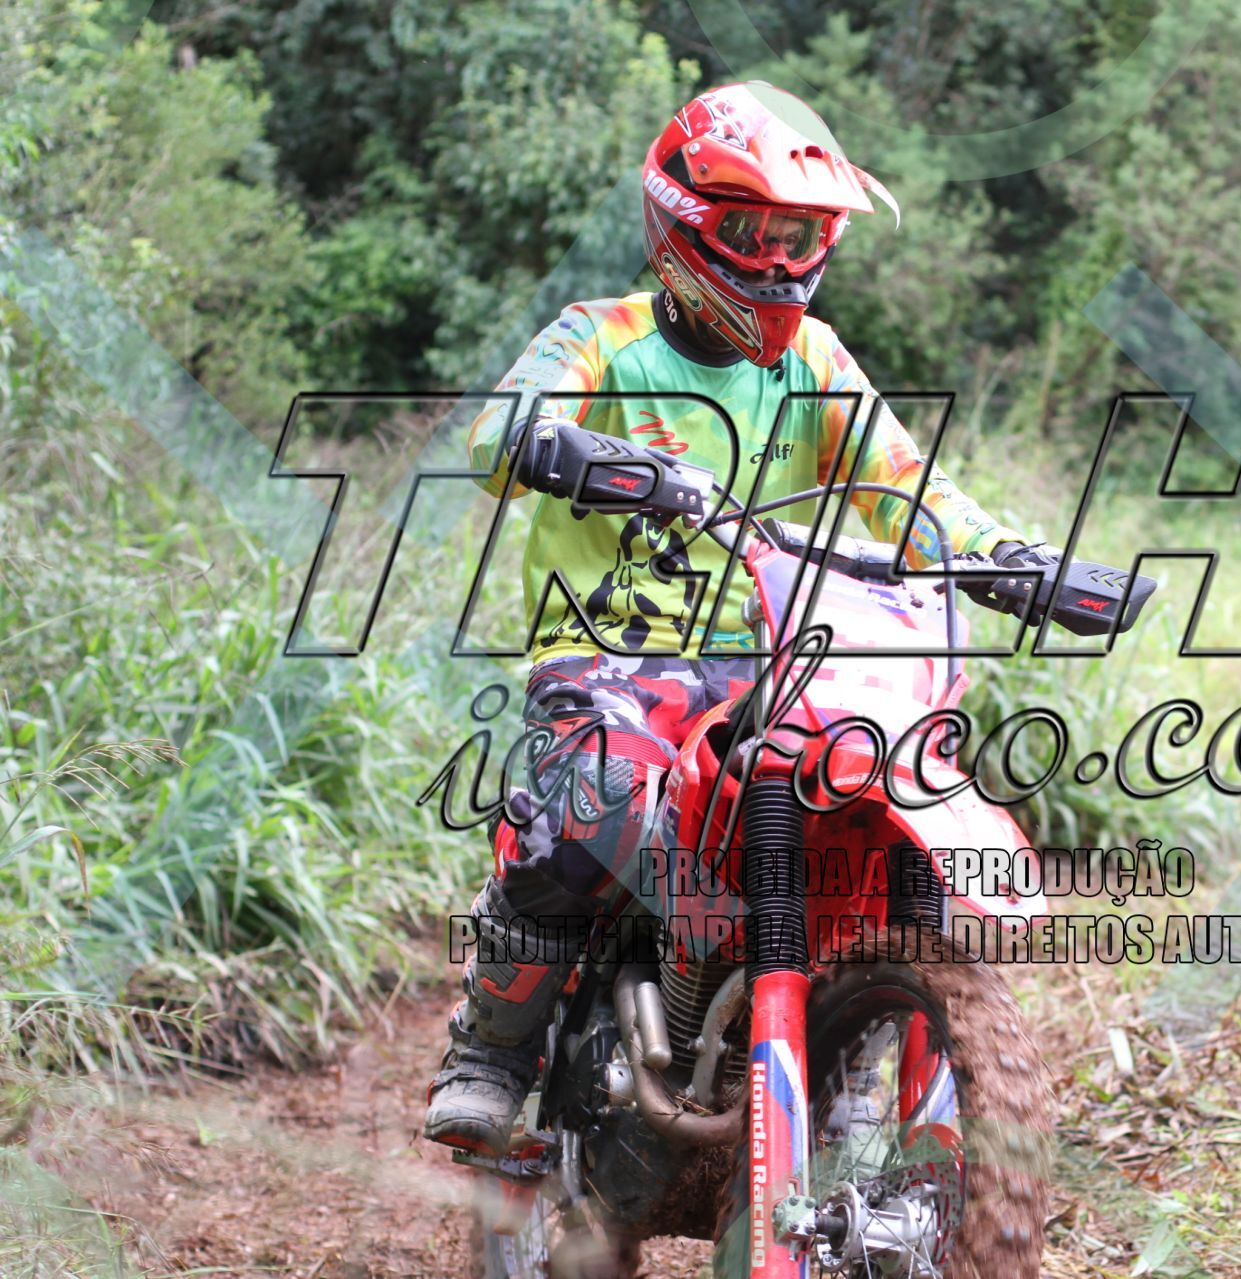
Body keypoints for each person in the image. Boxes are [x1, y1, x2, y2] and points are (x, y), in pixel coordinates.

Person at [423, 81, 1062, 1157]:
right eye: (750, 232)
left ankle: (879, 1065)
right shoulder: (602, 337)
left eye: (798, 237)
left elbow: (907, 490)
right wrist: (576, 450)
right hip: (615, 657)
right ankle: (493, 1047)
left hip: (781, 656)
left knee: (885, 810)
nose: (774, 262)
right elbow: (498, 437)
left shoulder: (818, 363)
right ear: (681, 223)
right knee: (588, 808)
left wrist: (1012, 559)